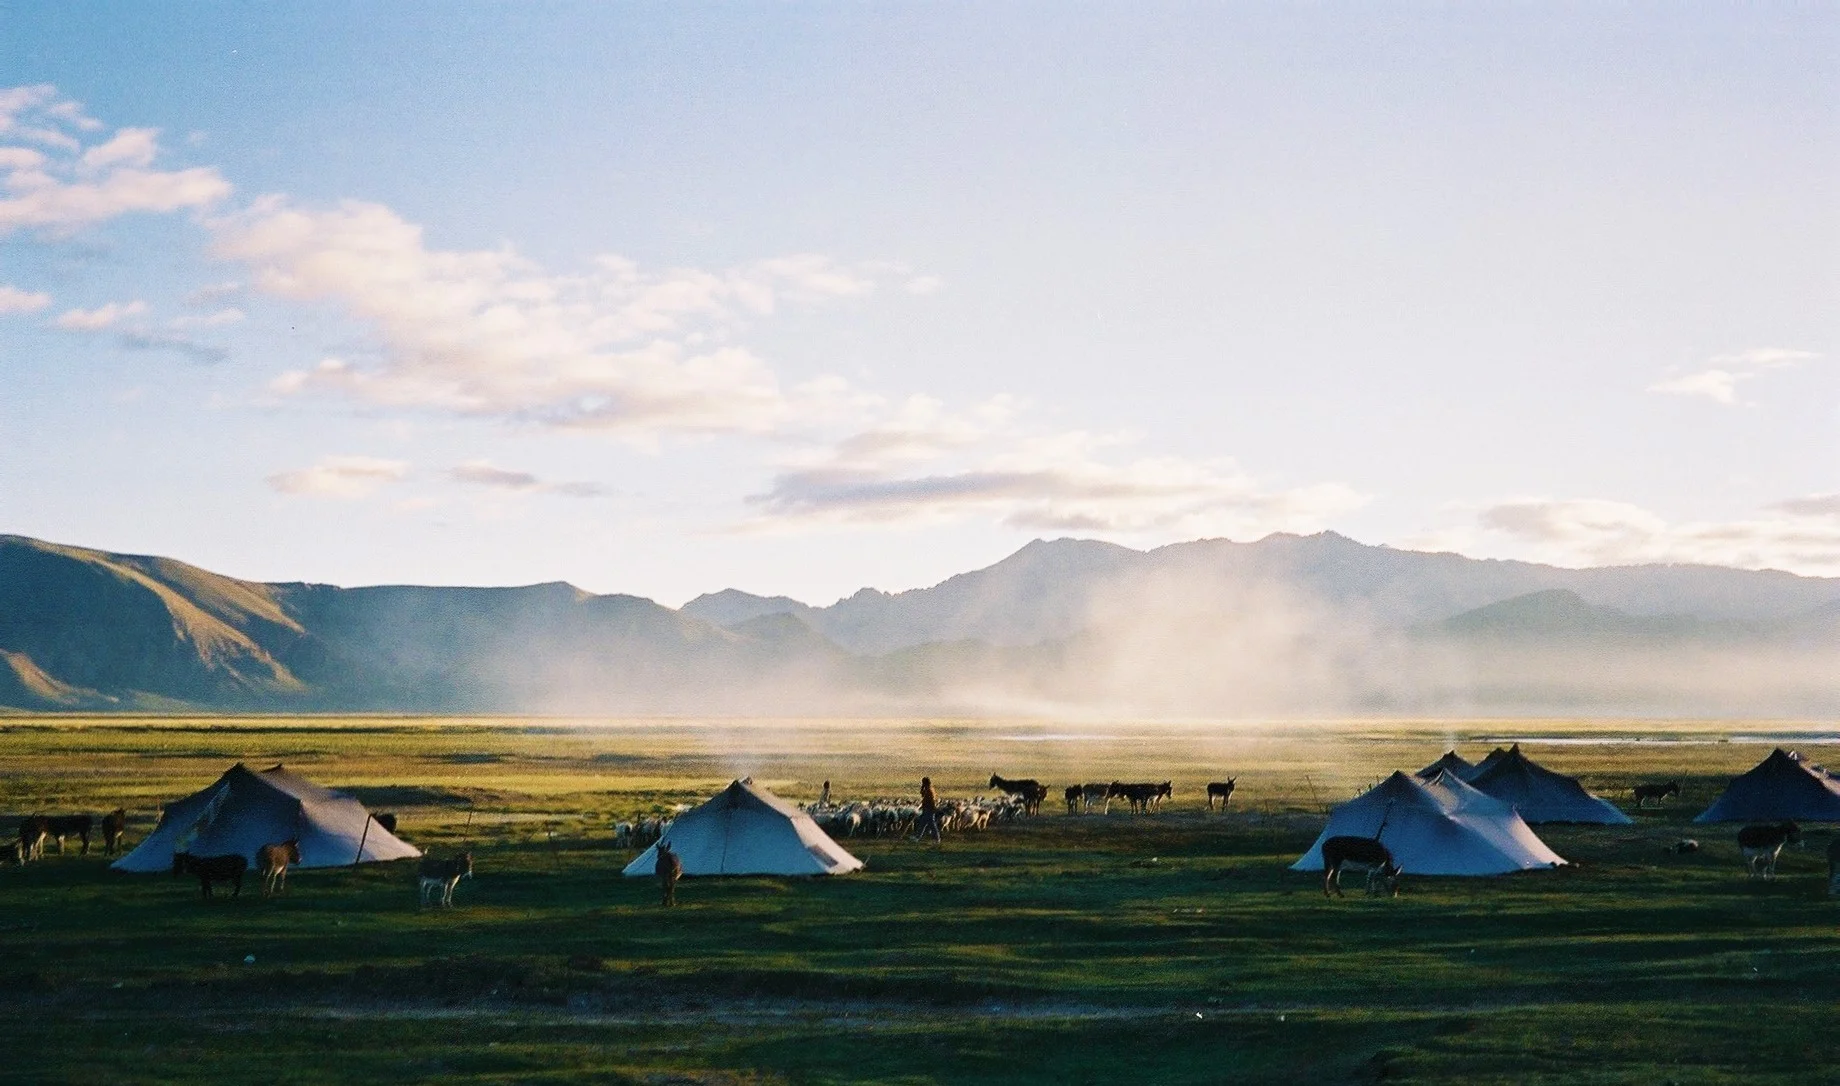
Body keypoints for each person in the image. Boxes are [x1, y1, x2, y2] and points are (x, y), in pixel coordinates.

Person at [656, 839, 682, 907]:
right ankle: (668, 901)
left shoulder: (671, 859)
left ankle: (669, 901)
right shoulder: (670, 859)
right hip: (667, 873)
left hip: (670, 873)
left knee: (669, 887)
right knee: (668, 886)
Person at [918, 776, 942, 844]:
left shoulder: (930, 790)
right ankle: (918, 836)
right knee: (923, 823)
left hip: (929, 808)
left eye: (923, 783)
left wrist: (933, 808)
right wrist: (922, 787)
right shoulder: (927, 789)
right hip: (926, 808)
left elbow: (932, 800)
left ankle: (937, 838)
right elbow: (922, 794)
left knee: (932, 824)